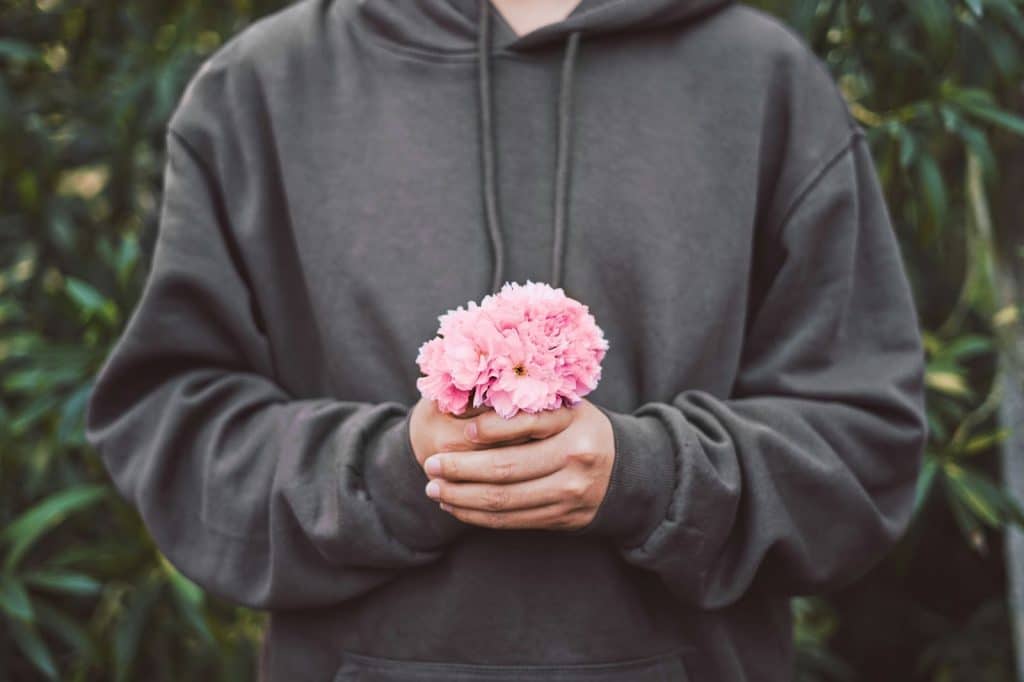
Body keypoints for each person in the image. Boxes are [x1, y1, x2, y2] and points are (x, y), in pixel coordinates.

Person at [84, 0, 929, 679]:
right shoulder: (260, 89)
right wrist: (392, 468)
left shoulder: (760, 80)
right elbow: (173, 427)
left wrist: (647, 476)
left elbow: (862, 447)